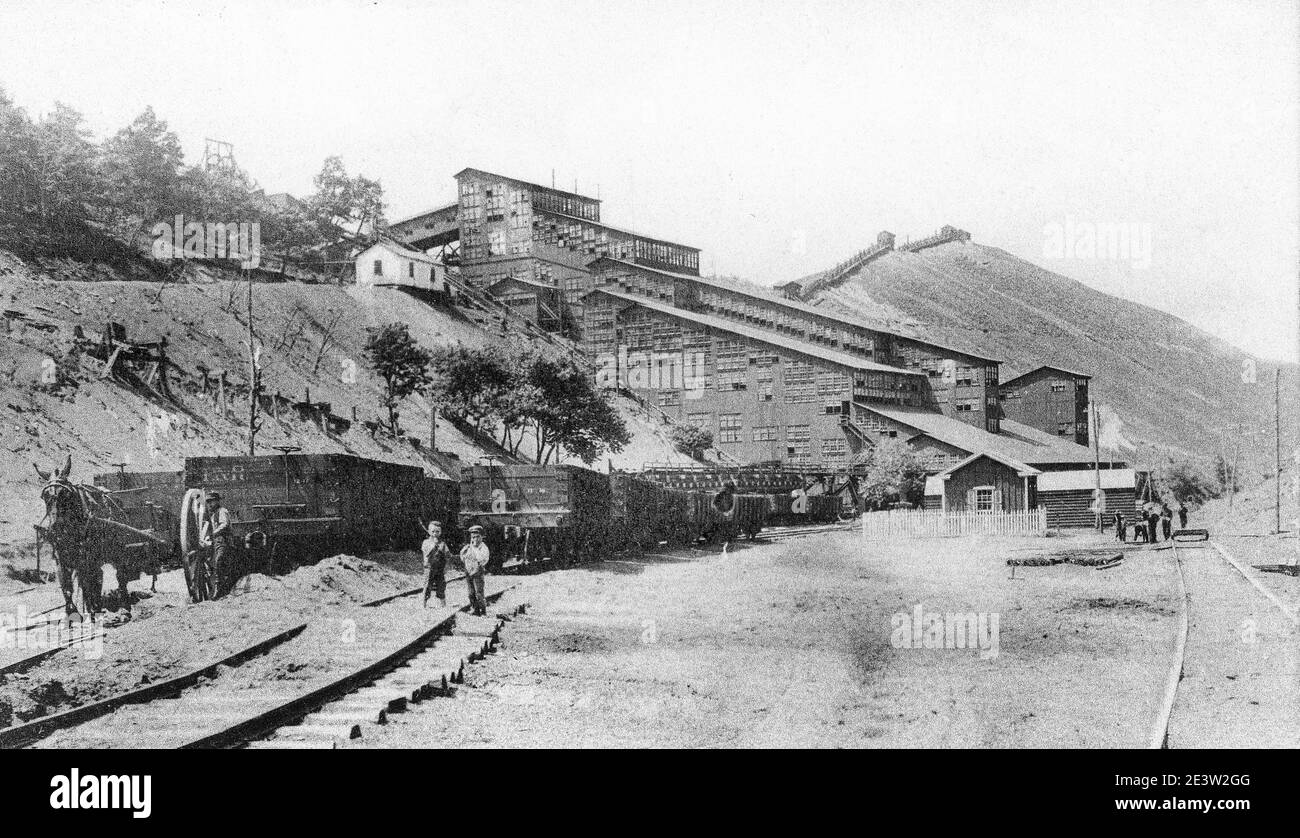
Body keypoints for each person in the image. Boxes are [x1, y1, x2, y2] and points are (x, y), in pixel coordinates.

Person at [201, 492, 233, 597]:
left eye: (212, 501)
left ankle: (220, 589)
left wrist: (213, 534)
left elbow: (224, 525)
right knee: (212, 563)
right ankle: (216, 588)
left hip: (223, 540)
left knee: (220, 561)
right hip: (216, 541)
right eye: (208, 502)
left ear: (218, 501)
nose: (210, 504)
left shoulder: (222, 511)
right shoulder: (213, 515)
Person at [460, 525, 490, 617]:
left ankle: (483, 611)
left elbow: (483, 559)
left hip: (477, 571)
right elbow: (462, 557)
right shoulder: (468, 547)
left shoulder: (483, 548)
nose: (475, 539)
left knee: (479, 593)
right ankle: (475, 609)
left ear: (481, 537)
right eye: (473, 537)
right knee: (470, 593)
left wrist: (475, 551)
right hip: (468, 571)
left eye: (477, 537)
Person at [421, 520, 451, 608]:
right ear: (429, 532)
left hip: (439, 568)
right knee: (427, 585)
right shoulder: (426, 542)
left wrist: (444, 552)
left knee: (441, 585)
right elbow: (426, 554)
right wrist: (433, 546)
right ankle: (424, 604)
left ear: (440, 532)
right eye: (433, 531)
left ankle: (443, 604)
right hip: (429, 568)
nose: (435, 533)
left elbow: (448, 555)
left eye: (437, 531)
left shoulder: (442, 544)